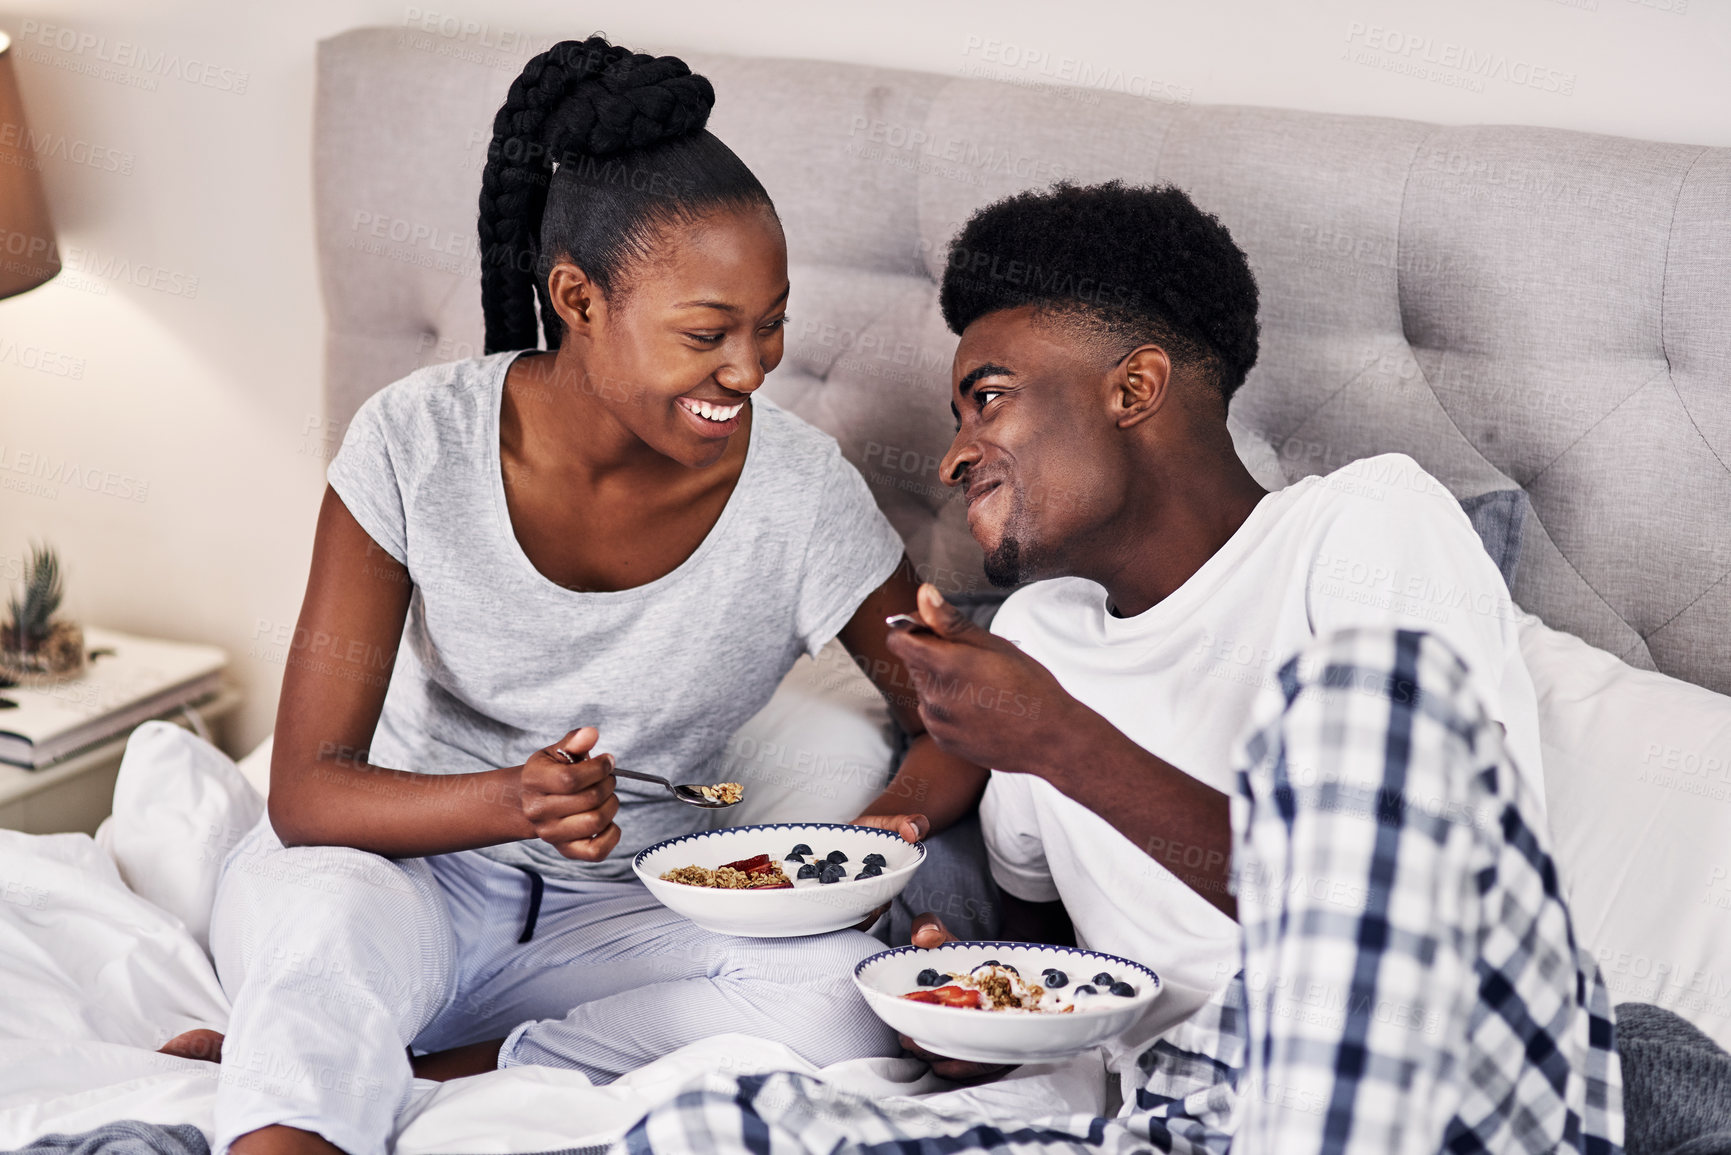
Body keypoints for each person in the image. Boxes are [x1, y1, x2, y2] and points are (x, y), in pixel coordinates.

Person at [617, 182, 1621, 1152]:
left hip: (1433, 1077)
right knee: (708, 1124)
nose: (954, 458)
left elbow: (1410, 910)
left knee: (1345, 703)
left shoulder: (1357, 525)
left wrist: (1058, 739)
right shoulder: (1042, 641)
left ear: (1134, 388)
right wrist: (979, 1011)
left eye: (989, 399)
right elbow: (1065, 966)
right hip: (1173, 1108)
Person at [163, 38, 982, 1155]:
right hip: (401, 880)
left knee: (848, 993)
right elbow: (309, 794)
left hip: (631, 915)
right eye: (707, 334)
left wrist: (896, 828)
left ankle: (433, 1065)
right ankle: (310, 1069)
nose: (750, 371)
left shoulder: (797, 493)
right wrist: (514, 802)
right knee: (325, 941)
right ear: (577, 298)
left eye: (771, 324)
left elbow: (956, 715)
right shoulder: (415, 443)